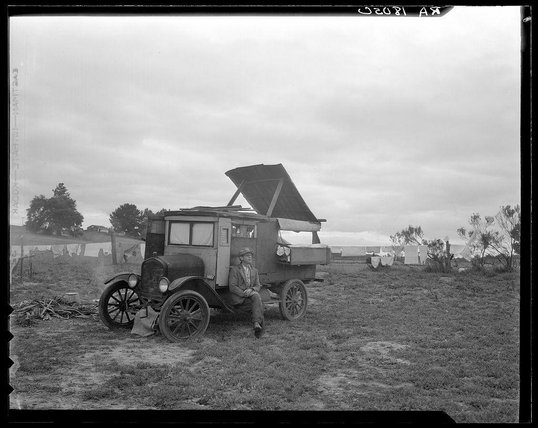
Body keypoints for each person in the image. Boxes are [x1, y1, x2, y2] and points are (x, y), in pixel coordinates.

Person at [228, 247, 265, 337]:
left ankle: (257, 326)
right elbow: (232, 287)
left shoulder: (254, 270)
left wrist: (251, 290)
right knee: (259, 306)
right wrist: (244, 293)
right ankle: (259, 331)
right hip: (240, 299)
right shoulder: (235, 270)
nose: (250, 257)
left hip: (250, 296)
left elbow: (257, 286)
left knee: (257, 300)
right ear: (241, 258)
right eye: (247, 255)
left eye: (251, 255)